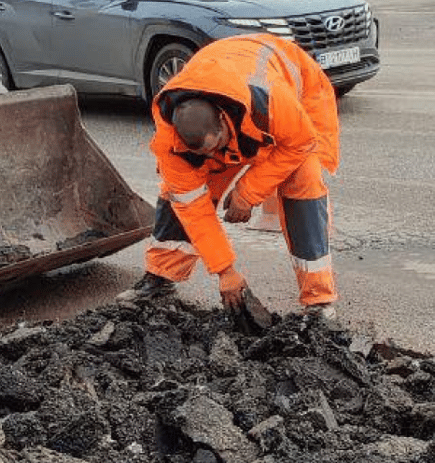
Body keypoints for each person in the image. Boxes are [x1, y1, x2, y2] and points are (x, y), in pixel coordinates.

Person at [116, 33, 341, 319]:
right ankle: (160, 278)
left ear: (223, 119)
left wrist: (247, 194)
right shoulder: (170, 145)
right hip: (233, 104)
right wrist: (226, 271)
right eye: (205, 153)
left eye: (217, 147)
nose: (213, 158)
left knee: (303, 183)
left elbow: (298, 143)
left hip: (297, 101)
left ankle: (319, 301)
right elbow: (193, 210)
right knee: (180, 195)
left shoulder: (270, 99)